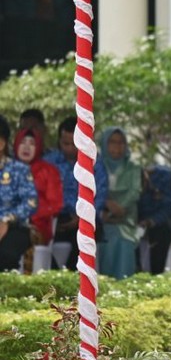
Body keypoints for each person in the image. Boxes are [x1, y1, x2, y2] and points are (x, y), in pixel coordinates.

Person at [44, 116, 109, 270]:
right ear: (59, 141)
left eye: (74, 144)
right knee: (44, 242)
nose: (70, 148)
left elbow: (100, 194)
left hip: (87, 217)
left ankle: (74, 280)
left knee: (84, 240)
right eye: (65, 143)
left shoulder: (95, 163)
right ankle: (54, 279)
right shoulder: (49, 162)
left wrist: (82, 216)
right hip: (56, 217)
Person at [96, 128, 143, 279]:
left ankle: (123, 287)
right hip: (101, 221)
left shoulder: (133, 167)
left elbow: (135, 191)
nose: (117, 147)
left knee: (123, 241)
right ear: (104, 144)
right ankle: (106, 288)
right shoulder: (97, 166)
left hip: (126, 220)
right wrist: (106, 205)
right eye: (112, 142)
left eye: (121, 142)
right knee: (107, 240)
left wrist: (119, 208)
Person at [0, 115, 38, 271]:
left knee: (6, 255)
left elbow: (30, 202)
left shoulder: (18, 169)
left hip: (14, 226)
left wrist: (6, 220)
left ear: (1, 143)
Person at [13, 127, 63, 245]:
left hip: (36, 225)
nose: (26, 147)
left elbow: (55, 204)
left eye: (32, 144)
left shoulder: (49, 171)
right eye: (23, 142)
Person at [137, 165, 171, 274]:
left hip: (161, 222)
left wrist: (152, 221)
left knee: (161, 233)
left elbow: (168, 208)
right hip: (137, 222)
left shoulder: (164, 177)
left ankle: (157, 274)